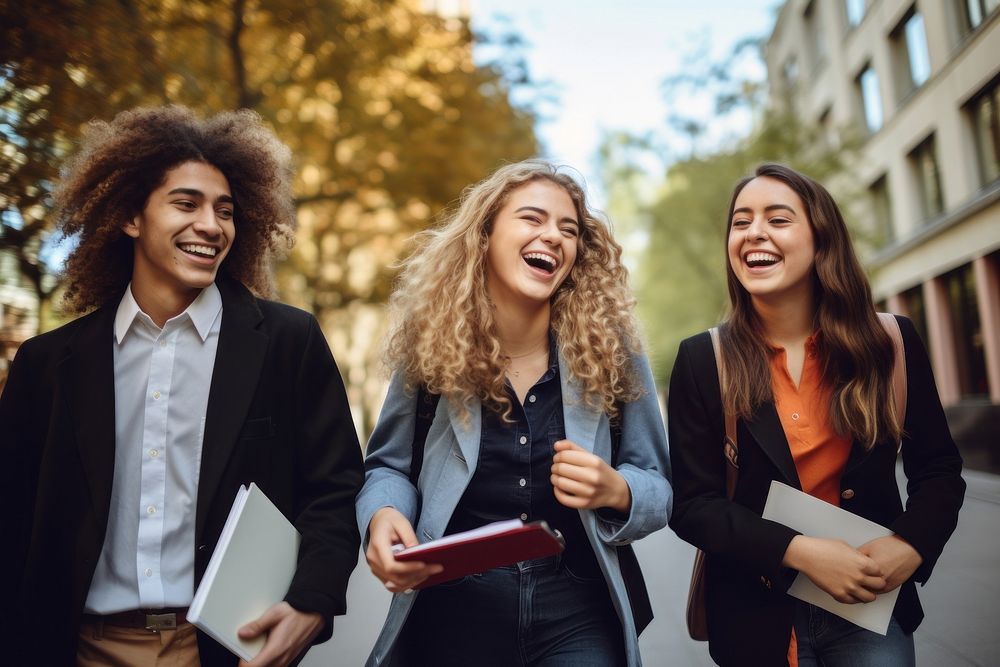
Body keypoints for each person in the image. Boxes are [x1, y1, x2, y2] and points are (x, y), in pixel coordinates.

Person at [0, 106, 364, 666]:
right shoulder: (47, 363)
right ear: (130, 218)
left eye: (225, 210)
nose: (212, 226)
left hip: (225, 648)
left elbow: (335, 490)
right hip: (76, 648)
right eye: (186, 204)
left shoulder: (288, 342)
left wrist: (313, 603)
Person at [355, 160, 671, 666]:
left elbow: (658, 484)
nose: (553, 236)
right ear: (485, 235)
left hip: (578, 612)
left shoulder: (612, 349)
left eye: (568, 229)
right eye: (532, 218)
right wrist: (383, 515)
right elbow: (387, 467)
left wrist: (617, 490)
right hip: (453, 609)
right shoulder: (430, 345)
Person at [667, 163, 966, 666]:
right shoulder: (703, 358)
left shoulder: (890, 343)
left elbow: (938, 469)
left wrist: (910, 545)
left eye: (778, 219)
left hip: (870, 609)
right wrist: (801, 552)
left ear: (821, 239)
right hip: (754, 615)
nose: (754, 232)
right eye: (741, 222)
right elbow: (694, 505)